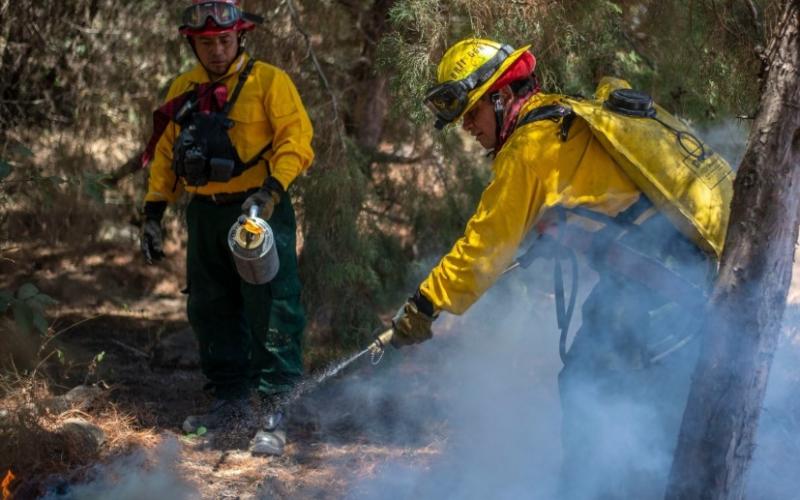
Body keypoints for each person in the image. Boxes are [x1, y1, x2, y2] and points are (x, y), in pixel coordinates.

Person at [388, 38, 733, 498]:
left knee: (610, 398)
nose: (467, 127)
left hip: (659, 291)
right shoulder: (559, 115)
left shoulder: (528, 147)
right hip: (662, 282)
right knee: (600, 386)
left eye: (472, 112)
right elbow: (603, 199)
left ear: (502, 96)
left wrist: (425, 305)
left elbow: (482, 248)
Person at [139, 0, 313, 456]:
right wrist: (153, 212)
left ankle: (276, 410)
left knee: (272, 305)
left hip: (259, 209)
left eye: (224, 40)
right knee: (210, 306)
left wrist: (272, 191)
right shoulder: (183, 89)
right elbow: (164, 156)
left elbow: (297, 139)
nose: (216, 51)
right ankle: (231, 404)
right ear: (193, 44)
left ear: (240, 38)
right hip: (205, 212)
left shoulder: (269, 81)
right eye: (206, 43)